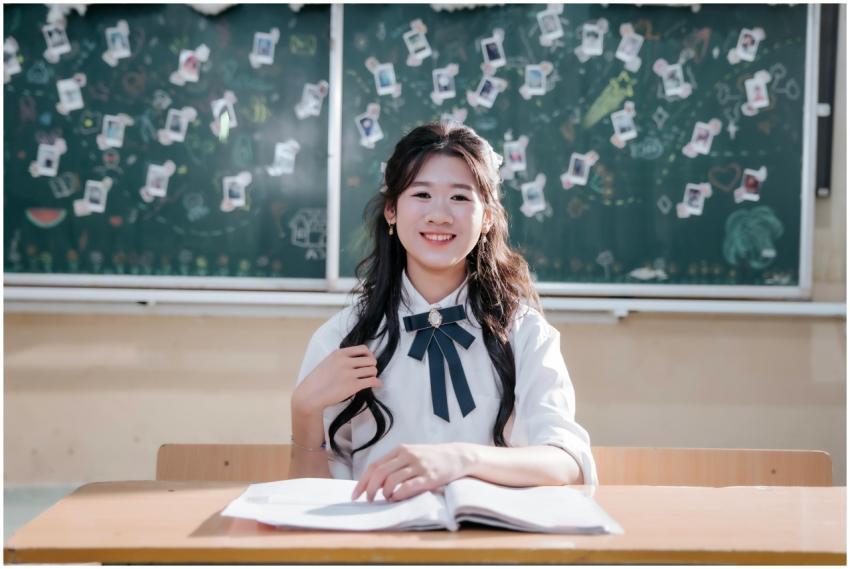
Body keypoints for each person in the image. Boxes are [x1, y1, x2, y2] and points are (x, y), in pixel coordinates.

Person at [289, 121, 597, 503]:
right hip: (379, 539)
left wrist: (462, 459)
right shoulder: (343, 337)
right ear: (391, 210)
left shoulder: (525, 332)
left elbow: (568, 461)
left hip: (490, 537)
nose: (439, 215)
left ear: (487, 217)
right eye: (421, 194)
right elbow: (307, 497)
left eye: (459, 197)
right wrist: (303, 412)